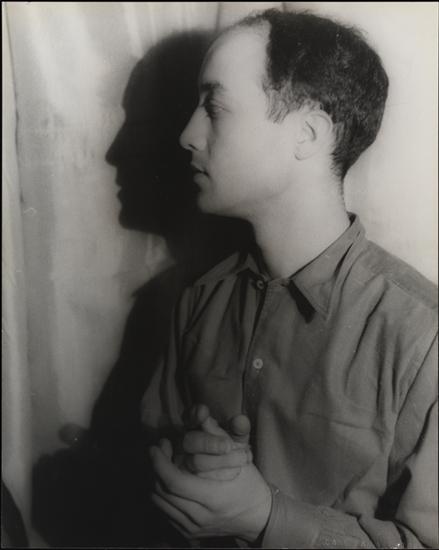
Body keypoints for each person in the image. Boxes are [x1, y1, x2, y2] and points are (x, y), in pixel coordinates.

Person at [141, 9, 438, 549]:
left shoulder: (425, 339)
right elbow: (150, 459)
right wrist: (188, 464)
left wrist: (265, 517)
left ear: (307, 133)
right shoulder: (200, 300)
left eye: (214, 107)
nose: (187, 134)